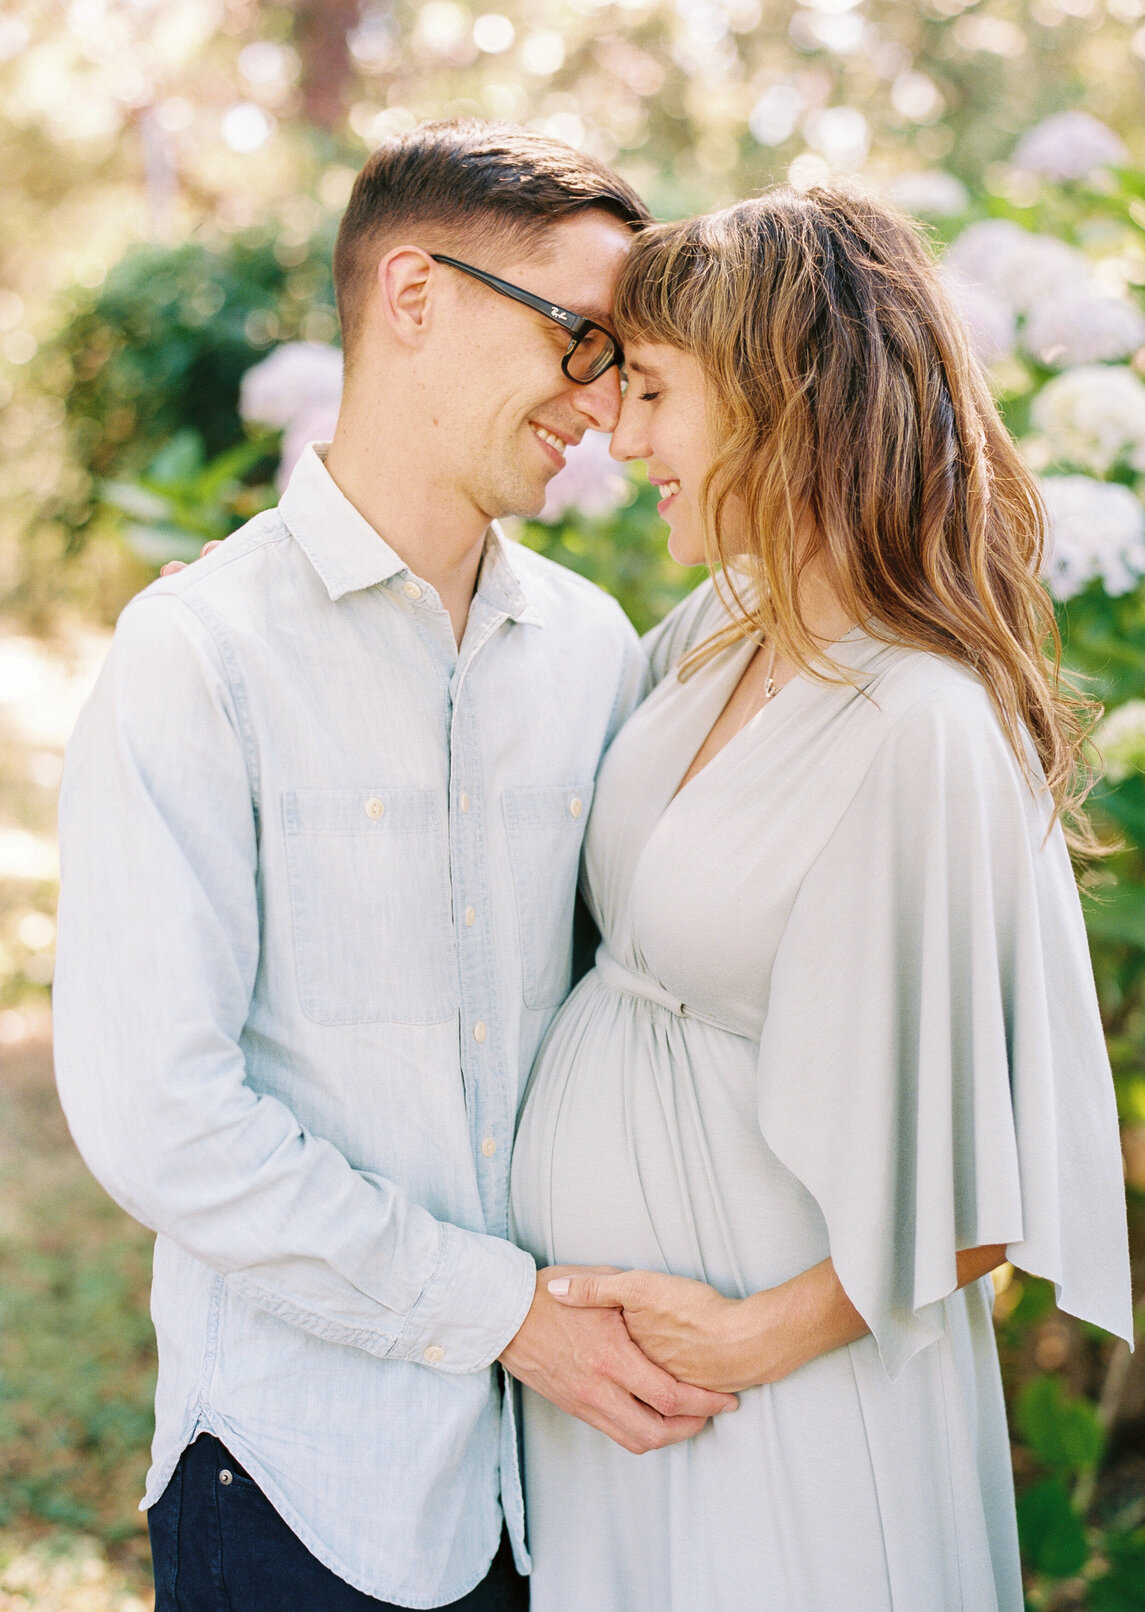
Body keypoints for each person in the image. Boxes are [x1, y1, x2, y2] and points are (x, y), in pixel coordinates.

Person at [52, 120, 737, 1612]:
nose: (605, 402)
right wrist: (500, 1317)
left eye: (622, 363)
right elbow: (157, 1116)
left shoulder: (596, 656)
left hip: (567, 1487)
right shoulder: (200, 658)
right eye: (580, 338)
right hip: (305, 1484)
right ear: (414, 296)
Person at [508, 186, 1134, 1612]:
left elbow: (1000, 1155)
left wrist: (751, 1342)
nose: (623, 434)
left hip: (777, 1411)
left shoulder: (920, 721)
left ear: (783, 403)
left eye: (656, 390)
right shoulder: (725, 626)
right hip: (633, 1406)